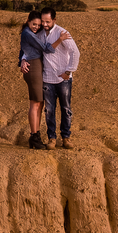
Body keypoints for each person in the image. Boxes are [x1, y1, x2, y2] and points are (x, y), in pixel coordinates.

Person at [17, 11, 71, 150]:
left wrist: (22, 59)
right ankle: (34, 136)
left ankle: (36, 135)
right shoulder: (28, 33)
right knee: (36, 103)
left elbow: (24, 49)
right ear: (28, 21)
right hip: (33, 67)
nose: (37, 26)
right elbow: (46, 49)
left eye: (39, 24)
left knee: (40, 103)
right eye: (34, 24)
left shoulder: (34, 32)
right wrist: (60, 39)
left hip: (37, 65)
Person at [39, 8, 80, 150]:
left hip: (63, 79)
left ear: (54, 20)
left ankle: (66, 137)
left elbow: (75, 52)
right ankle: (51, 138)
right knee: (49, 110)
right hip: (47, 78)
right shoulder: (38, 33)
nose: (44, 24)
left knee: (66, 108)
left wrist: (69, 71)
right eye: (42, 21)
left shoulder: (62, 33)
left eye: (47, 21)